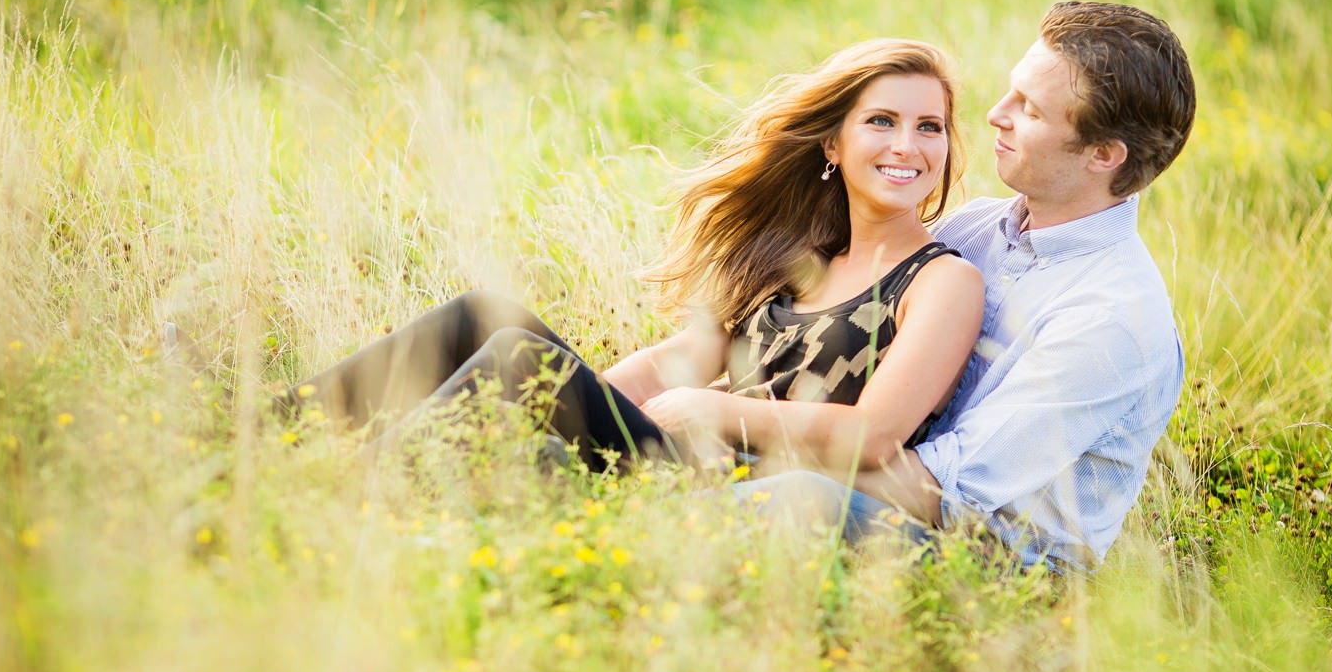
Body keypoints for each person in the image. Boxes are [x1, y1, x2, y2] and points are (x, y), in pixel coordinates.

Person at [285, 39, 984, 485]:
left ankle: (351, 498)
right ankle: (269, 442)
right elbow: (682, 355)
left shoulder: (941, 281)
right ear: (832, 145)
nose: (908, 146)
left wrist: (713, 410)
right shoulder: (806, 257)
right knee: (485, 320)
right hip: (679, 452)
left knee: (521, 358)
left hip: (749, 482)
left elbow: (874, 435)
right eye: (882, 121)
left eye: (929, 127)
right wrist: (579, 402)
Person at [743, 1, 1196, 571]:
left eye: (1028, 109)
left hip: (995, 568)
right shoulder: (978, 229)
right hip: (878, 489)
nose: (994, 114)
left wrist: (739, 434)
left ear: (1102, 155)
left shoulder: (1112, 318)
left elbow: (945, 490)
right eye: (1011, 92)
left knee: (776, 498)